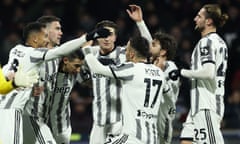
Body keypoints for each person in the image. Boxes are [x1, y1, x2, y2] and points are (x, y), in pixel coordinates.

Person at [0, 21, 110, 144]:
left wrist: (28, 87)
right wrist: (88, 37)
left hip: (8, 105)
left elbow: (9, 73)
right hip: (13, 109)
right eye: (45, 37)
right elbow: (60, 51)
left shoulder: (15, 50)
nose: (47, 41)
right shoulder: (35, 54)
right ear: (35, 39)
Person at [83, 36, 166, 144]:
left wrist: (87, 50)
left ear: (132, 53)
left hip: (133, 138)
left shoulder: (131, 68)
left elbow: (98, 69)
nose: (125, 52)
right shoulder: (159, 73)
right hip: (153, 138)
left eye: (126, 50)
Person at [88, 8, 151, 143]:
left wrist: (140, 22)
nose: (106, 38)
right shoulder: (90, 55)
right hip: (98, 121)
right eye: (103, 34)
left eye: (110, 35)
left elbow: (147, 47)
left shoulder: (124, 54)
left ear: (115, 37)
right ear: (96, 37)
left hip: (120, 121)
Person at [173, 4, 229, 144]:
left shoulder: (207, 42)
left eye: (199, 16)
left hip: (207, 105)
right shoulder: (220, 42)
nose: (194, 19)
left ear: (208, 21)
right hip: (199, 105)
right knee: (186, 141)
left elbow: (209, 73)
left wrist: (182, 72)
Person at [127, 5, 180, 143]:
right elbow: (149, 40)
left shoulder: (171, 68)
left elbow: (170, 98)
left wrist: (160, 74)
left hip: (163, 117)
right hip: (149, 115)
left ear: (163, 52)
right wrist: (140, 22)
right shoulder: (150, 63)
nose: (150, 46)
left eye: (154, 44)